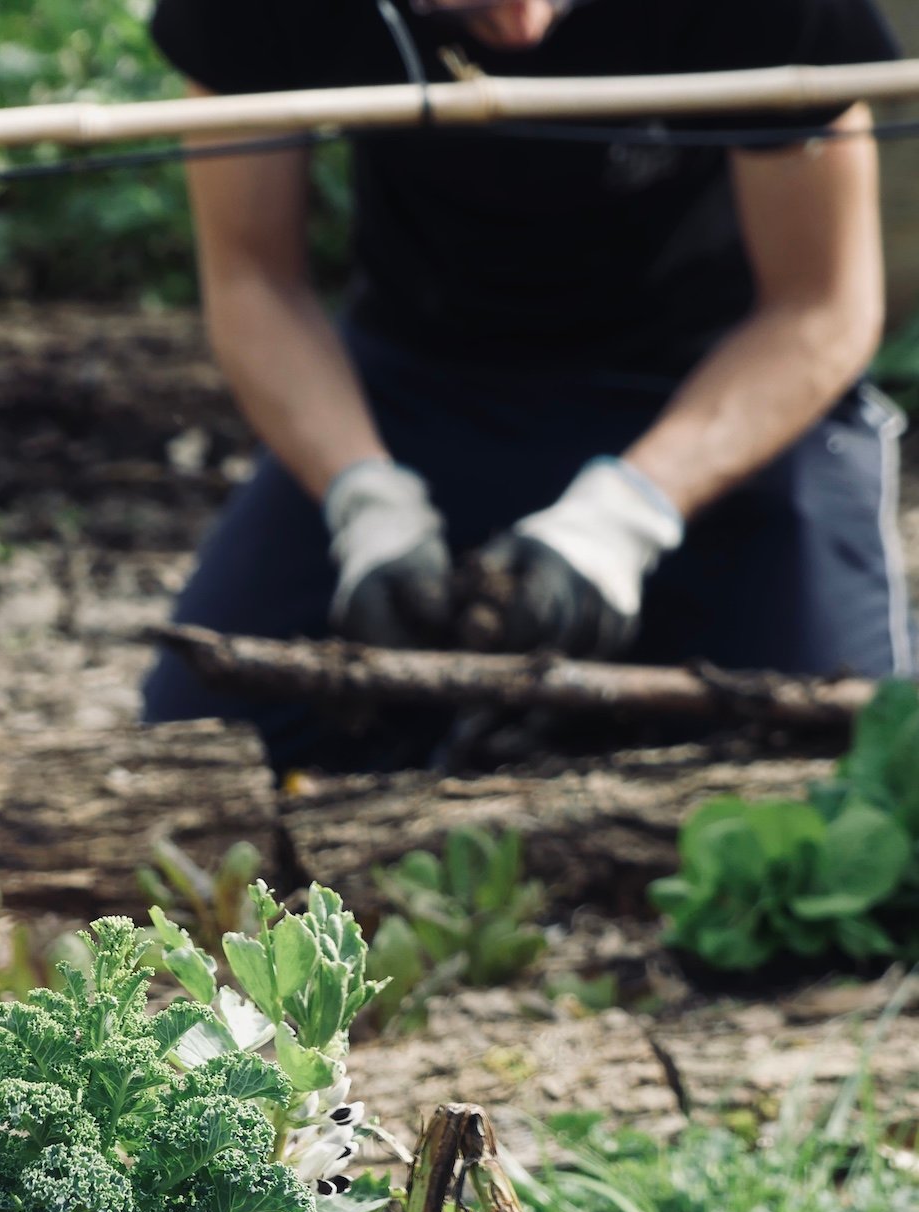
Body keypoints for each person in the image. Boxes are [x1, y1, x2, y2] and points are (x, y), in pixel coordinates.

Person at [143, 0, 911, 770]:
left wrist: (628, 513)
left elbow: (819, 306)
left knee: (848, 770)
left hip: (723, 390)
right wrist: (361, 495)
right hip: (414, 385)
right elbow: (253, 283)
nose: (523, 29)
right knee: (196, 744)